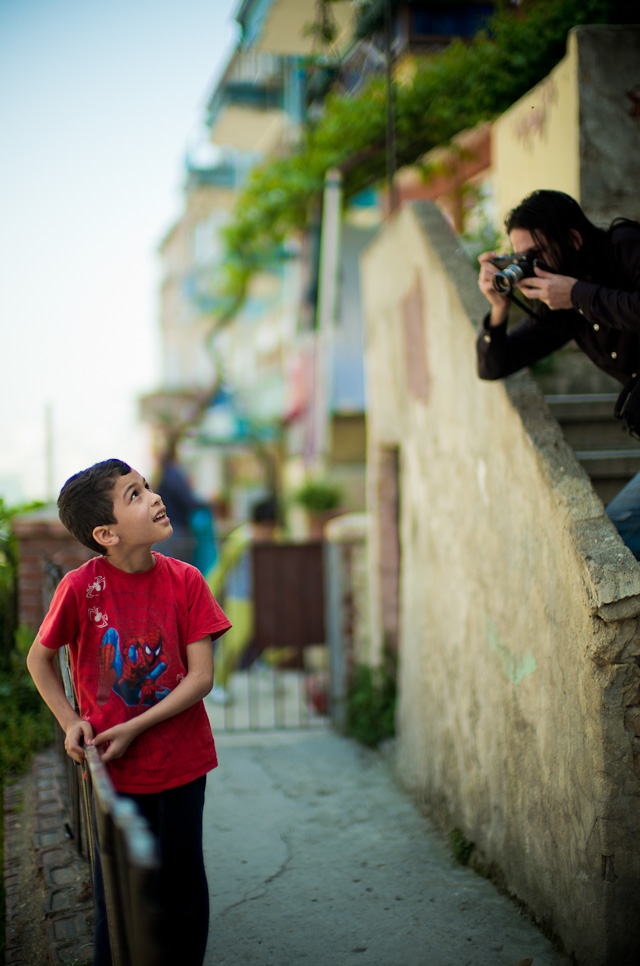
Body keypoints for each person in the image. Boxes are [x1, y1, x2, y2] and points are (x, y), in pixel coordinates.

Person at [26, 459, 231, 966]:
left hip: (183, 762)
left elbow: (201, 678)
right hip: (113, 771)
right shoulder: (79, 587)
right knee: (118, 895)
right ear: (106, 534)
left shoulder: (186, 580)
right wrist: (70, 720)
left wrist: (133, 727)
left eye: (147, 487)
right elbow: (39, 659)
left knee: (184, 882)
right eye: (135, 495)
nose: (156, 497)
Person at [476, 189, 640, 555]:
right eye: (521, 257)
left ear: (573, 239)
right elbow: (494, 364)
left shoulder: (625, 247)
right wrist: (499, 308)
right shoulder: (563, 308)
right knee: (616, 542)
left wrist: (579, 294)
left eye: (536, 254)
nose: (531, 265)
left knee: (619, 539)